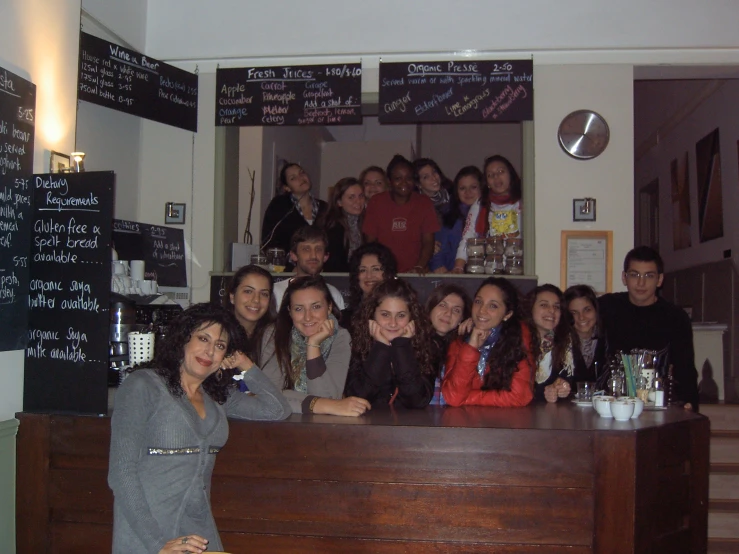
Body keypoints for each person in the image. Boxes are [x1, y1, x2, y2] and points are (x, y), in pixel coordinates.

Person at [108, 303, 290, 554]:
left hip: (199, 533)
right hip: (149, 534)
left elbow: (277, 409)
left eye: (220, 345)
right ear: (183, 339)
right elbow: (121, 472)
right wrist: (157, 543)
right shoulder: (143, 385)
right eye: (203, 338)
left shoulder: (217, 396)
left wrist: (246, 364)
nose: (210, 351)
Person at [598, 246, 699, 410]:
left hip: (658, 402)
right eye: (634, 274)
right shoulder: (607, 307)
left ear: (659, 280)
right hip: (612, 402)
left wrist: (690, 403)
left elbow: (685, 367)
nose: (641, 282)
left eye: (649, 276)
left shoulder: (675, 317)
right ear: (624, 277)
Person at [261, 275, 370, 416]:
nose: (308, 317)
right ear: (289, 312)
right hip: (278, 424)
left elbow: (328, 396)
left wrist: (313, 345)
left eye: (316, 307)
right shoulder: (274, 334)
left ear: (329, 307)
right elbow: (269, 395)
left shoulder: (341, 337)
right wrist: (325, 405)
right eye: (299, 309)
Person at [442, 277, 534, 407]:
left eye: (493, 306)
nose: (481, 311)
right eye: (478, 302)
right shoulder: (460, 341)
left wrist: (467, 398)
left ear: (507, 314)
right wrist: (471, 347)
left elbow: (520, 396)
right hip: (465, 424)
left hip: (505, 424)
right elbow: (453, 397)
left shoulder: (518, 339)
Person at [345, 278, 435, 408]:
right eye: (385, 315)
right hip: (366, 426)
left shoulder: (426, 345)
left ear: (411, 317)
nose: (393, 323)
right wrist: (380, 348)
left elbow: (417, 401)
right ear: (372, 315)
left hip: (409, 426)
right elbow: (358, 397)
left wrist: (402, 347)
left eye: (401, 315)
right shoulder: (357, 344)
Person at [363, 154, 440, 274]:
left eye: (408, 178)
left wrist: (419, 267)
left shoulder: (424, 203)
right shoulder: (376, 202)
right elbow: (370, 243)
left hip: (415, 272)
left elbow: (428, 242)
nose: (404, 183)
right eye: (398, 178)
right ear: (390, 181)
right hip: (383, 273)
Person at [453, 155, 523, 272]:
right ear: (487, 182)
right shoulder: (480, 204)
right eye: (490, 175)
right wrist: (459, 266)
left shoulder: (525, 202)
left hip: (518, 268)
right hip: (489, 269)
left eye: (501, 171)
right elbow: (467, 237)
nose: (496, 177)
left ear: (510, 174)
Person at [272, 226, 346, 312]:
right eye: (306, 249)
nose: (313, 256)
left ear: (325, 256)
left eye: (318, 249)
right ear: (293, 255)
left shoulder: (333, 293)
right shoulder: (276, 292)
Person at [261, 162, 328, 256]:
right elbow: (269, 241)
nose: (300, 178)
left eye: (302, 173)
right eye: (293, 178)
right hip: (288, 268)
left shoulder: (325, 207)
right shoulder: (279, 205)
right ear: (287, 188)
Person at [527, 284, 579, 403]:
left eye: (557, 307)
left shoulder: (566, 342)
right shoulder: (517, 341)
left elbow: (570, 382)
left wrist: (562, 388)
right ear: (530, 308)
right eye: (544, 305)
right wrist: (543, 392)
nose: (551, 311)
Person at [429, 166, 484, 273]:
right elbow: (437, 246)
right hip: (451, 273)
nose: (468, 192)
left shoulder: (491, 212)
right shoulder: (446, 213)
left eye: (473, 187)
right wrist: (438, 266)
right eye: (462, 188)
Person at [425, 284, 472, 405]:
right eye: (442, 305)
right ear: (431, 308)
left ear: (462, 319)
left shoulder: (462, 348)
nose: (448, 313)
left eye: (456, 310)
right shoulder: (412, 343)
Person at [340, 242, 398, 331]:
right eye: (363, 270)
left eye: (376, 269)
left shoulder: (401, 316)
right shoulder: (344, 319)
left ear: (388, 273)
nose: (369, 276)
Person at [224, 264, 274, 367]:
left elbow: (271, 383)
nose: (256, 300)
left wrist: (245, 365)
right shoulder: (215, 331)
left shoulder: (274, 337)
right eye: (248, 291)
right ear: (232, 297)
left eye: (264, 294)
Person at [319, 177, 365, 272]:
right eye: (351, 197)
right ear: (339, 202)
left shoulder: (366, 222)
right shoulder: (332, 228)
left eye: (361, 196)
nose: (358, 201)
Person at [564, 284, 605, 388]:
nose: (581, 317)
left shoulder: (609, 340)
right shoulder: (561, 344)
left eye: (587, 310)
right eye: (574, 312)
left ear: (596, 310)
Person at [413, 157, 453, 223]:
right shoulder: (417, 205)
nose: (434, 178)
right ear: (418, 184)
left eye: (434, 172)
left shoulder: (452, 192)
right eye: (426, 177)